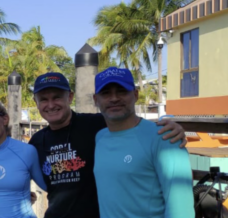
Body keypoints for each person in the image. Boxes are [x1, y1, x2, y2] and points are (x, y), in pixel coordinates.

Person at [25, 72, 187, 218]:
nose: (51, 105)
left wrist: (170, 128)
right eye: (44, 99)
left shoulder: (98, 125)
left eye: (57, 97)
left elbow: (130, 124)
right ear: (36, 102)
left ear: (70, 97)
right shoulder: (36, 142)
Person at [91, 67, 193, 217]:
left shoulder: (165, 137)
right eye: (106, 93)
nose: (114, 98)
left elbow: (181, 209)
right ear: (95, 100)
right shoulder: (100, 137)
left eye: (122, 91)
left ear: (135, 94)